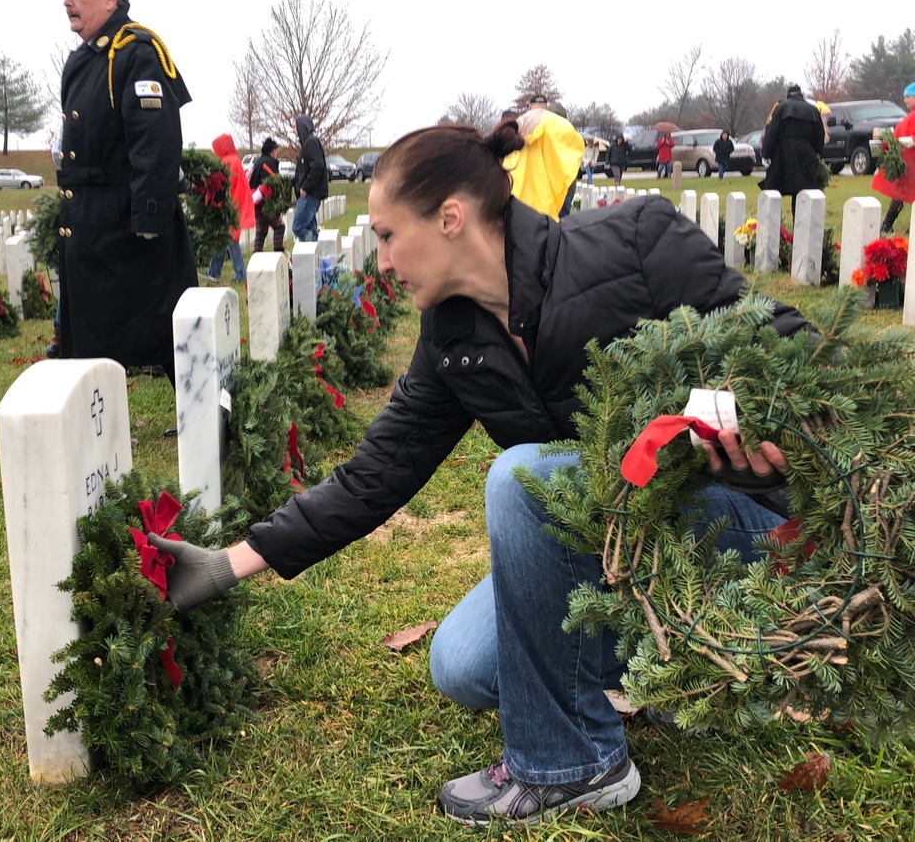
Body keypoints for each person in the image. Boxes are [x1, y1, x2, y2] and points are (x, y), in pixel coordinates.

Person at [150, 121, 810, 826]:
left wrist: (761, 420)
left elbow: (782, 343)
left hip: (737, 530)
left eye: (387, 233)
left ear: (451, 218)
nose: (383, 260)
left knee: (523, 475)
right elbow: (374, 475)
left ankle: (577, 763)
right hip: (614, 547)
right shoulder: (453, 339)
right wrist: (224, 565)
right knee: (461, 664)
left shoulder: (637, 244)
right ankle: (649, 666)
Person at [56, 0, 197, 386]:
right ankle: (91, 428)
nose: (67, 2)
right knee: (90, 335)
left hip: (125, 227)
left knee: (162, 324)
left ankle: (207, 413)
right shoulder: (83, 60)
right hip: (90, 225)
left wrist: (150, 218)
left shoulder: (135, 52)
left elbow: (154, 143)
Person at [760, 84, 825, 216]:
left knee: (772, 194)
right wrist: (815, 154)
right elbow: (820, 137)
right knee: (803, 195)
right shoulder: (813, 110)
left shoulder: (781, 108)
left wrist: (766, 154)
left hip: (783, 156)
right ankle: (801, 227)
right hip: (806, 155)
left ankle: (772, 226)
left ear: (787, 95)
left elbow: (771, 133)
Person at [202, 133, 253, 283]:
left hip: (232, 205)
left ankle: (240, 275)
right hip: (236, 203)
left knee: (230, 240)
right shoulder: (234, 159)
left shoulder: (228, 161)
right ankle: (214, 271)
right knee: (224, 239)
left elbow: (225, 185)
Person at [872, 82, 915, 234]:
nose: (905, 100)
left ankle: (888, 225)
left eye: (908, 97)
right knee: (899, 194)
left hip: (912, 163)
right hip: (906, 165)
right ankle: (887, 225)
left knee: (901, 194)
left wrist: (907, 141)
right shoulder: (908, 117)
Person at [291, 113, 328, 243]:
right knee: (310, 228)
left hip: (309, 195)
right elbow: (302, 171)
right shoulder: (306, 144)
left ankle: (316, 250)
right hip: (308, 194)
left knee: (298, 227)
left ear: (302, 127)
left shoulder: (311, 142)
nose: (292, 130)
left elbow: (317, 166)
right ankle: (319, 258)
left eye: (294, 127)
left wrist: (305, 187)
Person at [249, 137, 287, 253]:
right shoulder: (268, 163)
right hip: (265, 203)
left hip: (256, 202)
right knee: (279, 227)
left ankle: (257, 256)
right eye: (277, 150)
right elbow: (273, 182)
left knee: (261, 231)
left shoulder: (259, 161)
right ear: (273, 150)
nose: (277, 153)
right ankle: (278, 253)